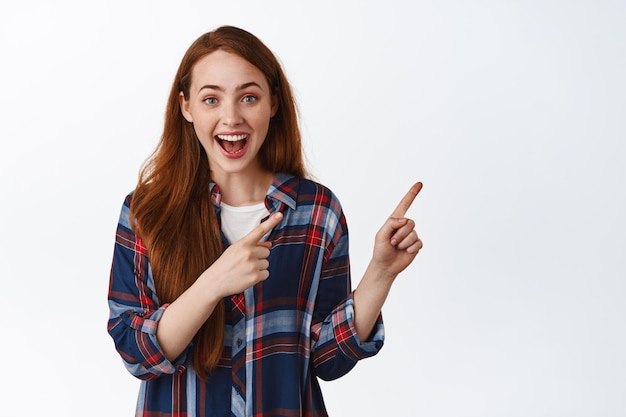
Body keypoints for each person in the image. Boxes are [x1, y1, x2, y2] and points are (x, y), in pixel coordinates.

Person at [107, 25, 423, 417]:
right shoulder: (146, 212)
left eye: (249, 97)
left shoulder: (316, 211)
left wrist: (381, 273)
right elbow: (136, 352)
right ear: (186, 107)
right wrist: (213, 283)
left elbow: (328, 360)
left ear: (273, 103)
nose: (231, 117)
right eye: (211, 100)